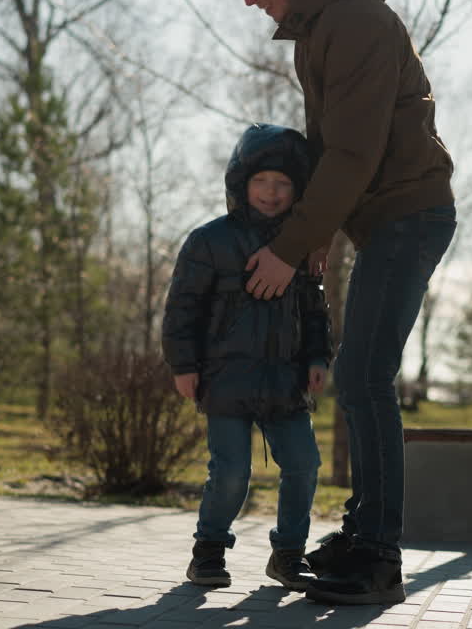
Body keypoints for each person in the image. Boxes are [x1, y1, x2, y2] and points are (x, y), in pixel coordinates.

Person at [229, 0, 458, 607]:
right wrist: (324, 230)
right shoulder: (323, 25)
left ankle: (379, 554)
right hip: (385, 217)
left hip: (408, 215)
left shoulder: (352, 21)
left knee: (363, 375)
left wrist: (292, 246)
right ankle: (364, 534)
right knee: (361, 376)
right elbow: (334, 147)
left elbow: (355, 154)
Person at [161, 123, 332, 592]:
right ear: (241, 184)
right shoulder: (209, 241)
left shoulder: (300, 246)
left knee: (304, 465)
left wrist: (318, 357)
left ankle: (288, 554)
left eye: (282, 183)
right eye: (261, 182)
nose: (271, 192)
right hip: (225, 379)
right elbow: (182, 308)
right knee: (231, 472)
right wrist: (183, 365)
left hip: (286, 381)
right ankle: (208, 552)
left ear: (296, 189)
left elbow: (314, 309)